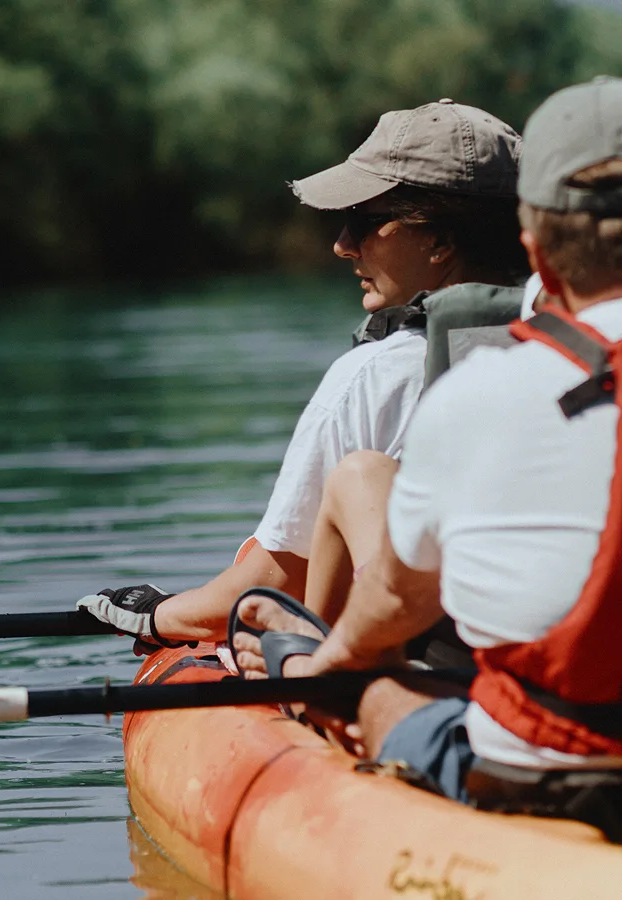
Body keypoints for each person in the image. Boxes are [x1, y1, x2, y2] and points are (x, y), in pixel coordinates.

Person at [232, 77, 622, 836]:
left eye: (360, 222)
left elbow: (400, 599)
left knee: (372, 690)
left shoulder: (478, 382)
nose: (341, 243)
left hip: (548, 769)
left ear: (538, 248)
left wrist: (328, 660)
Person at [78, 100, 528, 651]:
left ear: (439, 242)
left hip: (431, 674)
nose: (342, 245)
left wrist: (157, 615)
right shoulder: (582, 349)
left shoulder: (374, 374)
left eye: (363, 221)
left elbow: (275, 587)